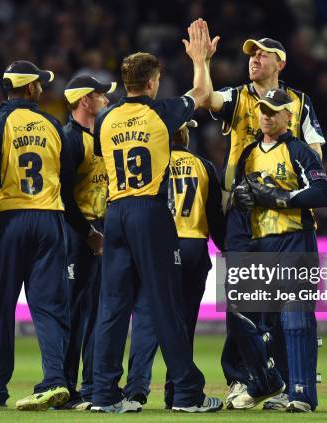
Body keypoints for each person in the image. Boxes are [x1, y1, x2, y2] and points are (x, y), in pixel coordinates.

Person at [0, 60, 103, 412]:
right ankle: (56, 380)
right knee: (50, 309)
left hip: (11, 222)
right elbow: (66, 189)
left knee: (1, 307)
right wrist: (88, 231)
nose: (43, 90)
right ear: (31, 89)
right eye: (41, 85)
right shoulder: (51, 126)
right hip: (50, 224)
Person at [90, 19, 222, 413]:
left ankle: (103, 395)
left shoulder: (105, 119)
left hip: (115, 215)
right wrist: (201, 59)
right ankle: (186, 394)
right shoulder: (162, 113)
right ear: (152, 83)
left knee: (112, 308)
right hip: (149, 211)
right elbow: (202, 92)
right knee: (165, 303)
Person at [203, 35, 326, 409]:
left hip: (283, 216)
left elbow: (314, 155)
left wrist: (286, 191)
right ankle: (243, 378)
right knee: (242, 300)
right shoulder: (238, 96)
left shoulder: (299, 104)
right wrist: (201, 62)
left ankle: (286, 381)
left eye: (263, 54)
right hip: (241, 213)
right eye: (251, 54)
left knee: (279, 304)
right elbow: (206, 99)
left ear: (281, 63)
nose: (254, 58)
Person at [231, 89, 327, 412]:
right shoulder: (249, 154)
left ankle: (303, 395)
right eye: (262, 110)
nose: (266, 116)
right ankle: (284, 389)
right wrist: (243, 198)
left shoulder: (299, 151)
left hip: (294, 239)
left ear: (289, 116)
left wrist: (280, 198)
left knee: (296, 319)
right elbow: (242, 193)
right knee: (267, 325)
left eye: (273, 111)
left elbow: (321, 192)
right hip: (261, 244)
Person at [123, 119, 226, 408]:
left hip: (157, 246)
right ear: (183, 134)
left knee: (146, 318)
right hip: (193, 246)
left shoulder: (150, 165)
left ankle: (135, 390)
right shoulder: (204, 166)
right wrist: (228, 246)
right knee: (183, 323)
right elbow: (215, 215)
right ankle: (178, 392)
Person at [58, 75, 115, 410]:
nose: (106, 99)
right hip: (77, 235)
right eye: (100, 95)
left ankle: (92, 384)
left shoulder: (102, 138)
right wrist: (89, 234)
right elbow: (64, 197)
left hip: (101, 232)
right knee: (75, 311)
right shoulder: (69, 140)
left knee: (96, 311)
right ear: (85, 101)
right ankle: (65, 384)